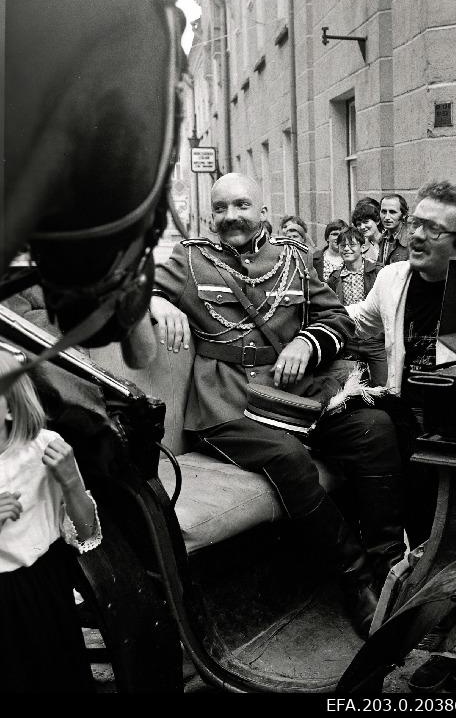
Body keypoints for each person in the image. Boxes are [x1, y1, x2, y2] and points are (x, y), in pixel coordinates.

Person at [149, 173, 405, 638]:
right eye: (222, 208)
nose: (232, 217)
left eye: (242, 205)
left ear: (262, 210)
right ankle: (355, 577)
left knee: (376, 428)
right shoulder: (190, 260)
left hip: (294, 396)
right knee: (289, 459)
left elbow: (336, 318)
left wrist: (307, 343)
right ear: (212, 215)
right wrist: (156, 301)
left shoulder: (291, 256)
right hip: (226, 404)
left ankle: (390, 563)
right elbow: (135, 290)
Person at [348, 181, 456, 692]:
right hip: (408, 427)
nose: (414, 234)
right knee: (427, 539)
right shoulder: (394, 277)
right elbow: (360, 321)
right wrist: (303, 331)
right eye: (414, 223)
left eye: (431, 229)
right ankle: (448, 635)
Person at [0, 351, 103, 693]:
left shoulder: (44, 449)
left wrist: (72, 481)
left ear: (11, 407)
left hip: (43, 590)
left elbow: (87, 533)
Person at [327, 227, 387, 387]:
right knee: (351, 388)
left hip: (375, 340)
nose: (347, 249)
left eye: (352, 245)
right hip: (349, 341)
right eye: (342, 245)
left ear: (362, 247)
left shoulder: (378, 272)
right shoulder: (334, 278)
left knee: (382, 386)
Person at [377, 194, 410, 266]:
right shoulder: (381, 240)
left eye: (392, 212)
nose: (387, 217)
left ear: (404, 214)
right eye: (383, 212)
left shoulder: (411, 241)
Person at [351, 200, 383, 264]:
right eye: (359, 224)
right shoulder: (360, 247)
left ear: (377, 221)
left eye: (366, 222)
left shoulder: (388, 241)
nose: (362, 227)